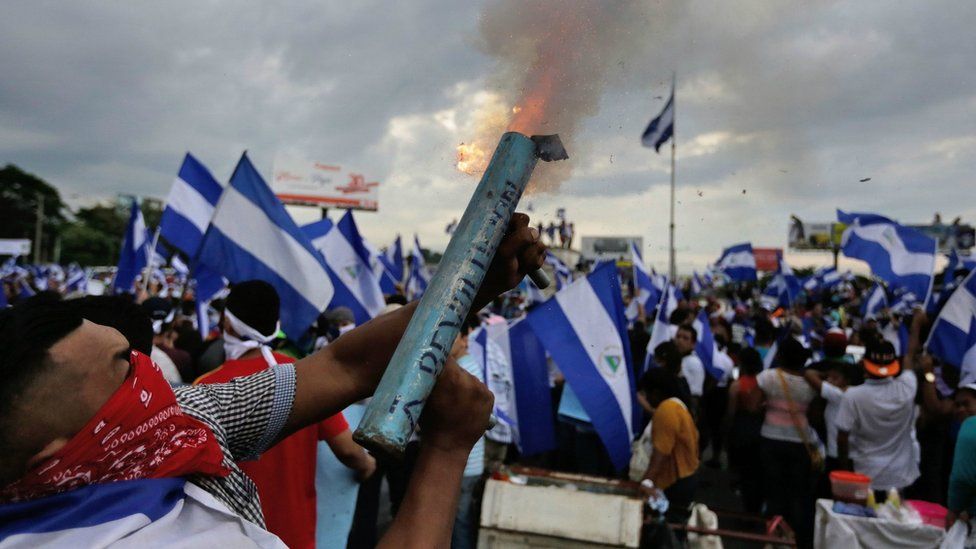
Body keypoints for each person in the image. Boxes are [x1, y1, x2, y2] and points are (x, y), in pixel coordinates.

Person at [0, 213, 545, 547]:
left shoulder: (175, 424)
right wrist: (448, 447)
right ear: (55, 459)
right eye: (124, 369)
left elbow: (342, 366)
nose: (148, 370)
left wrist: (468, 282)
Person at [194, 281, 376, 548]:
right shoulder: (304, 376)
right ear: (275, 323)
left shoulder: (205, 388)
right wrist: (367, 466)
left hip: (232, 538)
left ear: (227, 323)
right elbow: (348, 450)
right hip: (295, 537)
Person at [836, 339, 920, 498]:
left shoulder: (852, 396)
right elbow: (909, 359)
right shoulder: (907, 387)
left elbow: (842, 438)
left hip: (865, 475)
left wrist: (845, 471)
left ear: (863, 364)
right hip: (900, 476)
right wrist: (916, 323)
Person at [756, 337, 817, 547]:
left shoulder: (768, 378)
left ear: (780, 356)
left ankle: (772, 536)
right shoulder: (809, 384)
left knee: (773, 490)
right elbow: (815, 413)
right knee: (796, 492)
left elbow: (755, 404)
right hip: (800, 443)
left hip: (771, 439)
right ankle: (792, 537)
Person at [639, 367, 699, 526]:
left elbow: (661, 452)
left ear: (657, 392)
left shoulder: (666, 410)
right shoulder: (677, 405)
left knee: (668, 529)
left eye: (647, 393)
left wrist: (647, 482)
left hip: (676, 482)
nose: (646, 398)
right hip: (687, 477)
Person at [451, 324, 485, 549]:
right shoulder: (465, 366)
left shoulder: (464, 372)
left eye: (451, 336)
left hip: (464, 463)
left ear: (465, 339)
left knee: (458, 522)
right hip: (469, 461)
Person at [725, 347, 764, 513]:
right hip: (760, 429)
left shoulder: (736, 386)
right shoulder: (764, 384)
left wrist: (726, 429)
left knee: (744, 470)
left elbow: (730, 412)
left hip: (742, 428)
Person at [673, 325, 705, 415]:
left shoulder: (694, 363)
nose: (680, 340)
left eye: (685, 338)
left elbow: (695, 396)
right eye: (678, 336)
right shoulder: (678, 359)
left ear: (693, 343)